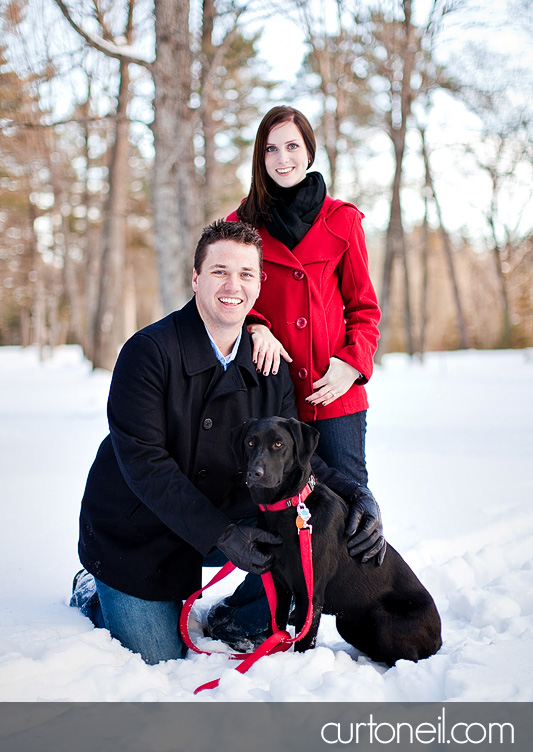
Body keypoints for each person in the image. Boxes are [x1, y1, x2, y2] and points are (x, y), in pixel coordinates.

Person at [71, 220, 385, 664]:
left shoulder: (267, 361)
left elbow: (296, 460)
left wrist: (358, 493)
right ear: (196, 278)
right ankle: (92, 589)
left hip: (224, 507)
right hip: (140, 525)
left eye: (245, 274)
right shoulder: (148, 352)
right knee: (158, 653)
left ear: (259, 286)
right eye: (219, 272)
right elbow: (145, 465)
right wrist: (222, 534)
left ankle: (233, 617)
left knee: (292, 530)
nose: (232, 285)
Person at [226, 105, 380, 488]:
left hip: (333, 392)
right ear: (260, 157)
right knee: (275, 507)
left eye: (292, 146)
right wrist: (255, 326)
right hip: (271, 399)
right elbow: (228, 296)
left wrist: (352, 364)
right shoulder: (239, 225)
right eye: (271, 149)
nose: (283, 158)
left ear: (308, 152)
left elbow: (365, 309)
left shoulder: (342, 219)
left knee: (349, 503)